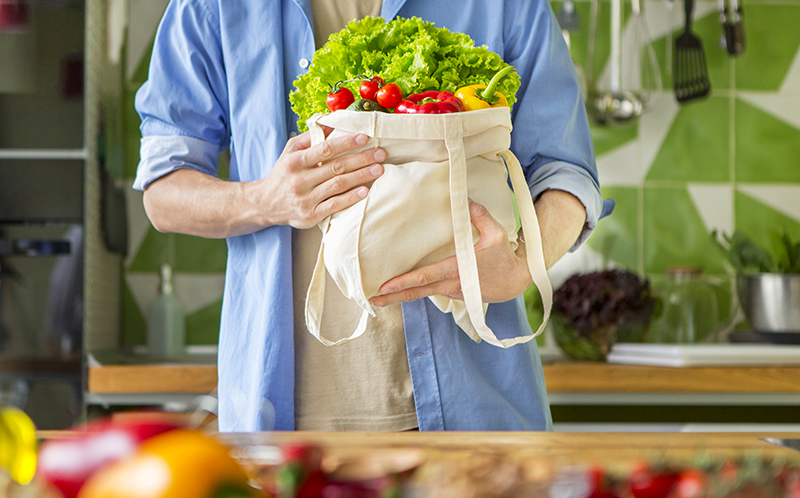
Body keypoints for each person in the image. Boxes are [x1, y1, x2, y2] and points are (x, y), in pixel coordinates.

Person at [133, 0, 614, 432]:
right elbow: (163, 191)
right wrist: (265, 199)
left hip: (475, 411)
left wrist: (523, 263)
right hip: (281, 423)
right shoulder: (211, 7)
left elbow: (566, 172)